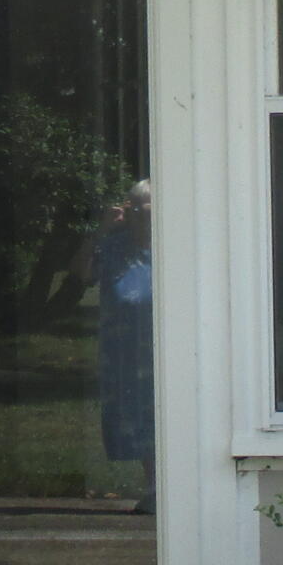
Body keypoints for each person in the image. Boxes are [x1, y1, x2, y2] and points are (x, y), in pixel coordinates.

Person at [89, 178, 155, 513]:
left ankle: (169, 487)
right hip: (125, 349)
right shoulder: (113, 246)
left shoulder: (173, 245)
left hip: (165, 346)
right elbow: (78, 273)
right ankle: (156, 487)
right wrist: (100, 230)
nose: (144, 219)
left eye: (148, 212)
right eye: (137, 211)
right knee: (138, 416)